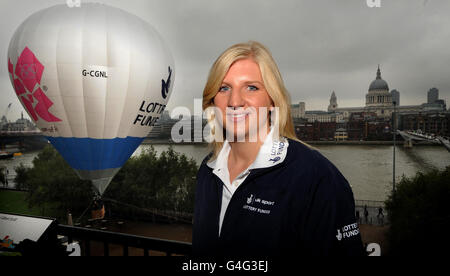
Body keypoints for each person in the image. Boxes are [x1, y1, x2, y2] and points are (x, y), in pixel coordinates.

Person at [193, 41, 365, 257]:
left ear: (272, 100)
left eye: (252, 87)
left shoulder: (318, 178)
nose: (234, 101)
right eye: (224, 88)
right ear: (212, 101)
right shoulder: (207, 171)